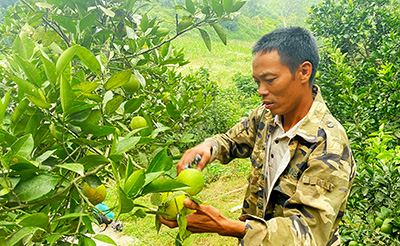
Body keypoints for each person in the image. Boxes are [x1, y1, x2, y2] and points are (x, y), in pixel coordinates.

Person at [159, 27, 356, 245]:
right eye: (257, 82)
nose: (261, 90)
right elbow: (232, 140)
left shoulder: (329, 145)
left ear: (303, 72)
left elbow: (308, 233)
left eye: (270, 80)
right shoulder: (267, 116)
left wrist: (227, 226)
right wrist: (208, 147)